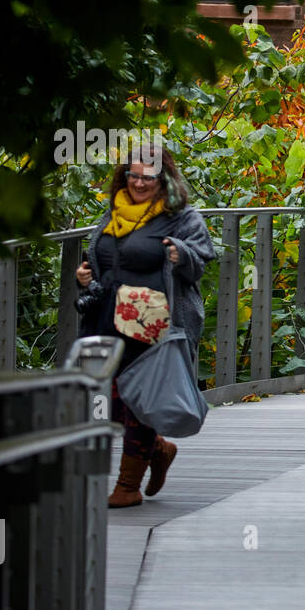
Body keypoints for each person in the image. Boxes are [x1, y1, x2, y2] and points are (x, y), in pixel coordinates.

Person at [75, 143, 216, 508]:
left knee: (140, 398)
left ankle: (127, 486)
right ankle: (157, 449)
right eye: (133, 176)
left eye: (147, 178)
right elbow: (103, 259)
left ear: (164, 178)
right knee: (111, 400)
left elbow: (201, 258)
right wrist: (85, 278)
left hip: (152, 322)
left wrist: (180, 255)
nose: (139, 184)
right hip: (107, 317)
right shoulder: (114, 212)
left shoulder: (181, 217)